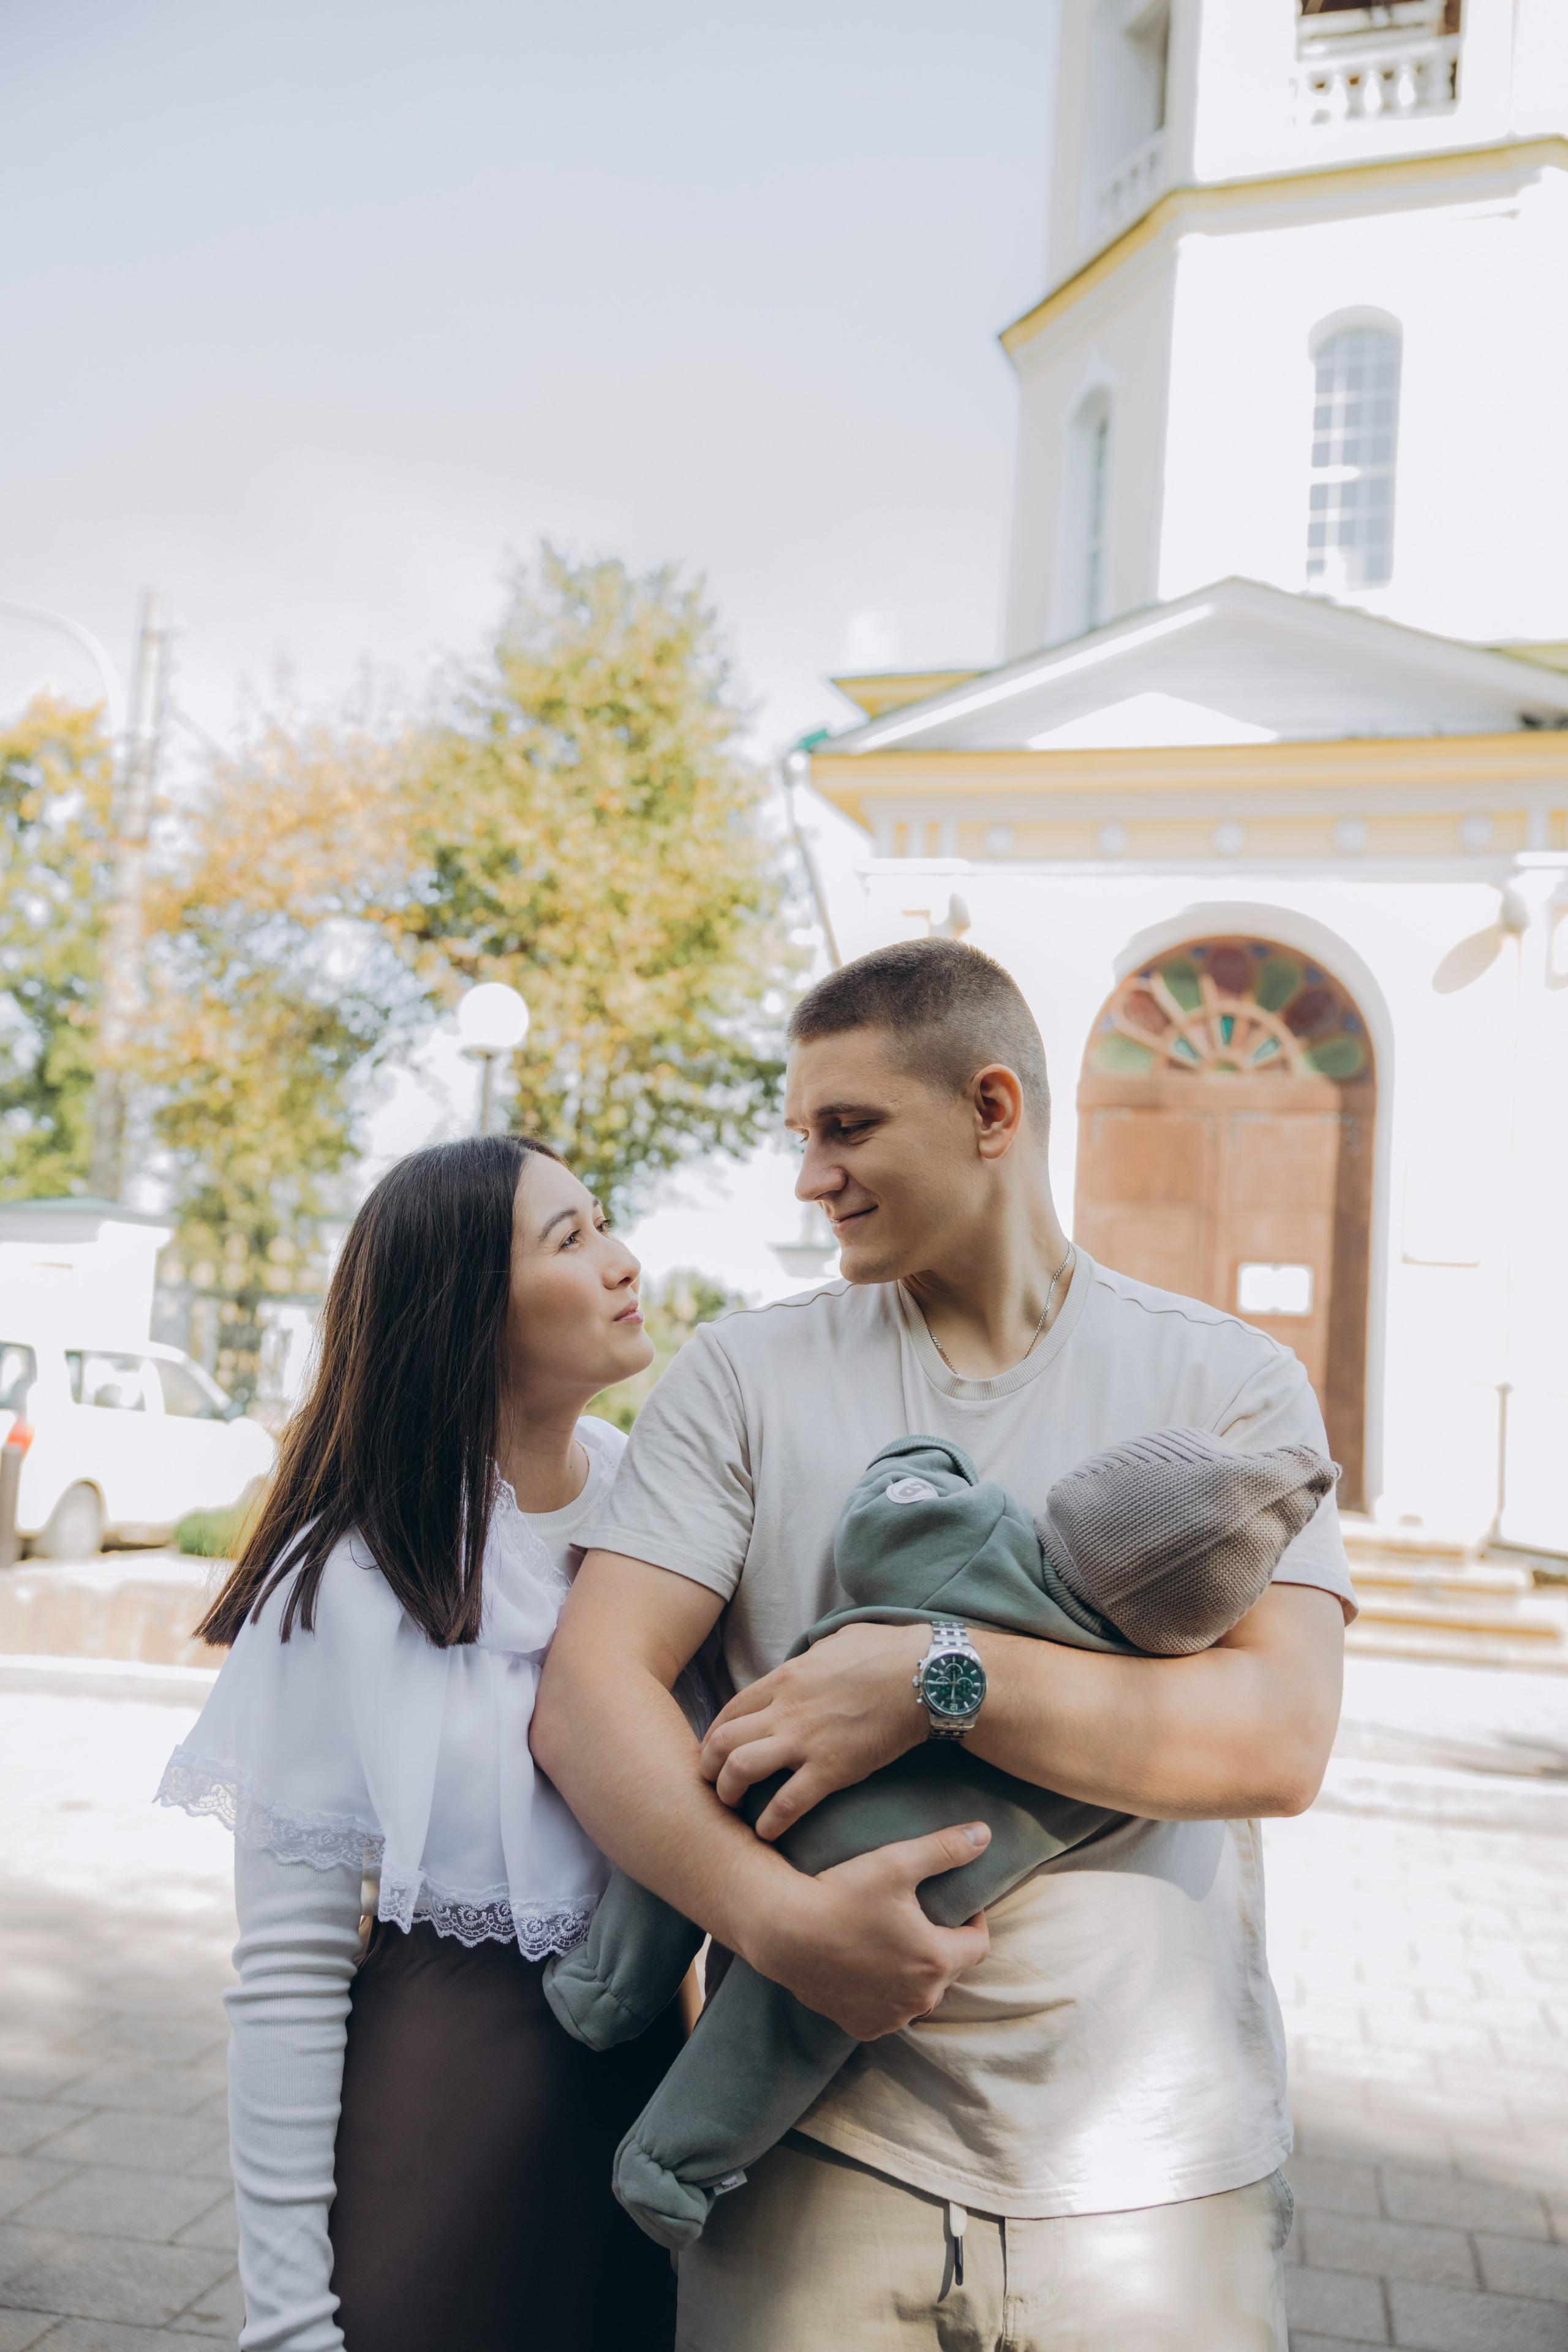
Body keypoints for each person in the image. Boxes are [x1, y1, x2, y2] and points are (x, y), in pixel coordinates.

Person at [533, 938, 1354, 2352]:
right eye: (800, 1137)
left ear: (990, 1110)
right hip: (810, 2161)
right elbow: (589, 1697)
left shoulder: (1224, 1381)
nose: (809, 1177)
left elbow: (1276, 1742)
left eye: (847, 1128)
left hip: (1153, 2178)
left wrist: (932, 1680)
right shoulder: (743, 1371)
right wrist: (779, 1924)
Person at [547, 1423, 1336, 2250]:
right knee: (775, 2039)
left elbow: (883, 1514)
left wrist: (925, 1452)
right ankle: (670, 2169)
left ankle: (604, 1988)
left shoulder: (982, 1538)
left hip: (783, 1768)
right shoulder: (1126, 1716)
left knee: (703, 1803)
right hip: (905, 1878)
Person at [157, 1135, 683, 2352]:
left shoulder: (664, 1521)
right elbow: (286, 1968)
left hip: (653, 2110)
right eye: (569, 1240)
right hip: (439, 2109)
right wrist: (288, 2321)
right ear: (465, 1311)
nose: (621, 1262)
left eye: (604, 1224)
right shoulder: (346, 1574)